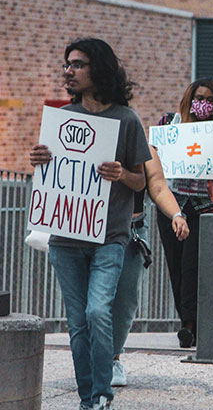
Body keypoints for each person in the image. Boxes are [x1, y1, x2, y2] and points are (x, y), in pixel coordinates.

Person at [30, 38, 151, 410]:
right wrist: (38, 158)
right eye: (67, 64)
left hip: (110, 237)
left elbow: (141, 181)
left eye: (77, 64)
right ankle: (89, 399)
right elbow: (52, 173)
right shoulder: (60, 118)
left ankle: (102, 392)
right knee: (78, 323)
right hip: (66, 237)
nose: (69, 70)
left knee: (98, 311)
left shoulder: (125, 120)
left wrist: (121, 175)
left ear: (98, 69)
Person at [155, 78, 213, 348]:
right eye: (198, 98)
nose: (202, 104)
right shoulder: (169, 124)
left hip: (206, 207)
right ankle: (187, 322)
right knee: (176, 266)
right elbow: (154, 159)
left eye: (208, 100)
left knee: (193, 265)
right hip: (173, 205)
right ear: (188, 100)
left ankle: (190, 324)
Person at [111, 145, 190, 387]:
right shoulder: (90, 131)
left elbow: (157, 185)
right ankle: (94, 356)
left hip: (130, 230)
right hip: (91, 230)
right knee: (94, 301)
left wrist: (177, 214)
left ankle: (112, 357)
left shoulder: (143, 147)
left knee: (124, 299)